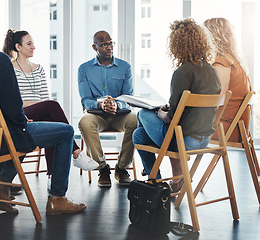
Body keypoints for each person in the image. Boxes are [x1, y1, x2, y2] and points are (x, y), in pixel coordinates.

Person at [0, 5, 86, 215]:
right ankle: (57, 198)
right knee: (64, 132)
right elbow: (13, 107)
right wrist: (22, 121)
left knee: (18, 132)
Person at [132, 18, 221, 193]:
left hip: (183, 142)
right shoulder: (213, 71)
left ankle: (156, 183)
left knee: (142, 114)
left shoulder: (182, 72)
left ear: (177, 45)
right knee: (138, 135)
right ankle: (157, 180)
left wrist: (161, 113)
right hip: (204, 140)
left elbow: (171, 117)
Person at [2, 29, 98, 173]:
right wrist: (39, 105)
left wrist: (41, 105)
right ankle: (77, 152)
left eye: (33, 43)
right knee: (52, 106)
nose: (33, 46)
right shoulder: (9, 68)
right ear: (18, 47)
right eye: (29, 44)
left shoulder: (39, 69)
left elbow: (44, 98)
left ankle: (51, 176)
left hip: (40, 111)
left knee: (52, 121)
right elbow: (15, 102)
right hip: (22, 113)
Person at [78, 30, 137, 187]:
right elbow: (85, 100)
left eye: (111, 43)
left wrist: (116, 105)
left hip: (120, 114)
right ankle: (102, 168)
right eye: (103, 44)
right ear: (94, 47)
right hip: (96, 114)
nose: (109, 47)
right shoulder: (84, 69)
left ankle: (122, 168)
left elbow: (128, 97)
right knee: (84, 122)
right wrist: (100, 104)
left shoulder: (125, 67)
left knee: (136, 120)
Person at [204, 17, 252, 142]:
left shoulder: (222, 63)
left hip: (224, 130)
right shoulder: (234, 62)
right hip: (237, 129)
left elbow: (218, 102)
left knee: (174, 127)